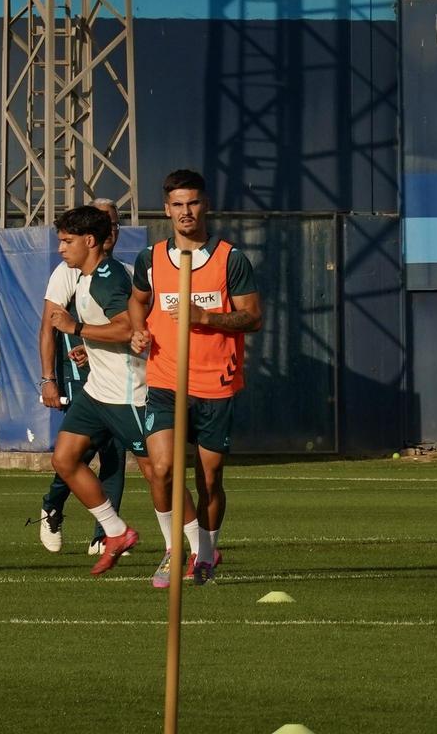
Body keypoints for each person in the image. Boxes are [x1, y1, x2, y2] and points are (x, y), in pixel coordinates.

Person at [129, 169, 262, 586]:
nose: (186, 212)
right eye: (178, 205)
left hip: (214, 384)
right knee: (162, 469)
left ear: (205, 205)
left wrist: (206, 317)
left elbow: (253, 317)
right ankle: (173, 550)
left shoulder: (229, 259)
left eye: (193, 203)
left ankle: (205, 553)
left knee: (209, 479)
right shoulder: (150, 259)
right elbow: (137, 301)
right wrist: (138, 329)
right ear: (166, 209)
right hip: (166, 380)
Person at [45, 205, 148, 575]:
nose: (60, 248)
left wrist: (77, 329)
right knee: (65, 458)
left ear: (89, 241)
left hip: (126, 391)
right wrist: (86, 348)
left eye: (66, 241)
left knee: (159, 473)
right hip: (96, 391)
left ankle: (196, 546)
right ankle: (115, 531)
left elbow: (125, 330)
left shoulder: (107, 277)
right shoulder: (84, 278)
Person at [37, 200, 127, 555]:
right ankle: (52, 506)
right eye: (104, 223)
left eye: (115, 225)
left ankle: (104, 535)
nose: (110, 232)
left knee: (116, 455)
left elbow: (130, 327)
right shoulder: (67, 271)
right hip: (81, 378)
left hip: (121, 378)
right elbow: (49, 326)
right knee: (76, 453)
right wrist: (48, 378)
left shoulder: (125, 271)